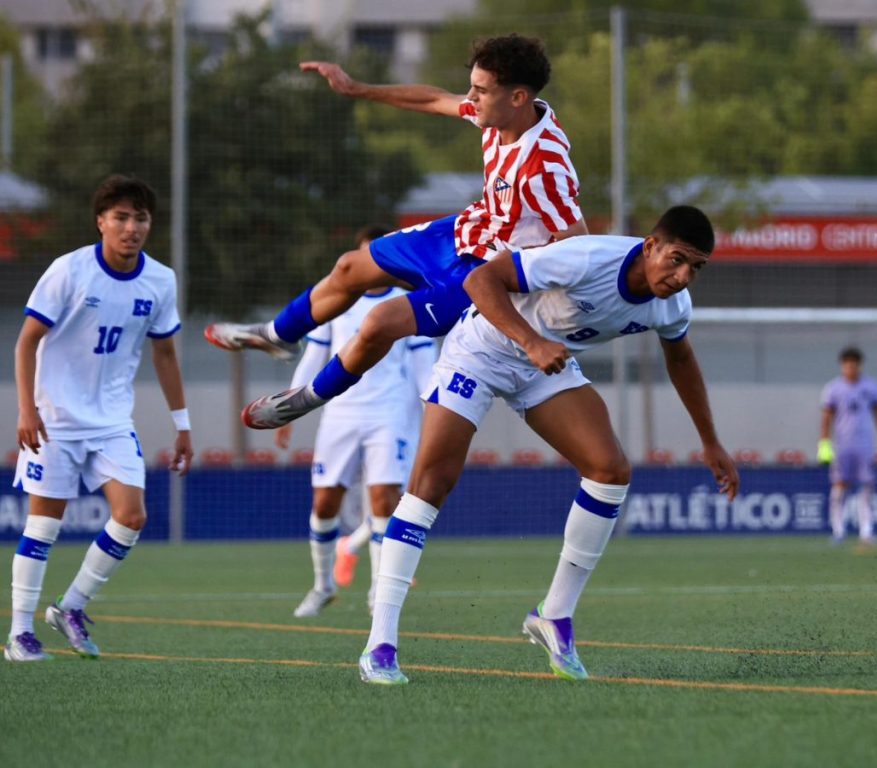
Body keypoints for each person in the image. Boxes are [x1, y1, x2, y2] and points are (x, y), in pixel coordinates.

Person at [357, 205, 740, 685]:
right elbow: (480, 281)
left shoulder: (673, 305)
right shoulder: (586, 258)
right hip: (483, 348)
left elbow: (681, 358)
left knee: (610, 469)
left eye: (696, 268)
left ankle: (553, 615)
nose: (683, 276)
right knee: (431, 484)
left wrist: (710, 441)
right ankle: (380, 645)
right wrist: (532, 343)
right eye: (677, 259)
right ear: (651, 246)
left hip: (543, 367)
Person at [203, 34, 586, 430]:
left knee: (379, 322)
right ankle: (277, 335)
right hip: (468, 230)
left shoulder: (545, 166)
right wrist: (357, 89)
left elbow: (578, 246)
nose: (469, 98)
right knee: (351, 267)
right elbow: (433, 100)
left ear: (518, 97)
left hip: (488, 274)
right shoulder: (500, 112)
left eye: (480, 90)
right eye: (471, 86)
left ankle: (307, 397)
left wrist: (543, 314)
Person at [5, 175, 193, 662]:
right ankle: (20, 633)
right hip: (54, 419)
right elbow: (26, 341)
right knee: (44, 525)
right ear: (101, 222)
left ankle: (70, 607)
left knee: (131, 517)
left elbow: (166, 354)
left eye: (141, 218)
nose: (132, 228)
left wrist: (183, 423)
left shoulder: (161, 280)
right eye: (122, 218)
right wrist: (26, 409)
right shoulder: (69, 271)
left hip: (111, 421)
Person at [275, 226, 435, 617]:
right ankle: (323, 585)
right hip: (340, 413)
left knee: (384, 498)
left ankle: (379, 594)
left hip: (390, 413)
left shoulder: (408, 303)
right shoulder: (338, 301)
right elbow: (314, 358)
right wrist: (288, 408)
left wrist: (435, 409)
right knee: (325, 502)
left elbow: (424, 368)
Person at [817, 346, 877, 545]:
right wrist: (824, 443)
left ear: (860, 366)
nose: (851, 369)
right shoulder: (833, 389)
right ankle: (838, 530)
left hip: (865, 445)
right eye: (847, 365)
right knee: (839, 488)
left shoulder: (870, 387)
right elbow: (827, 418)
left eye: (854, 365)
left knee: (867, 487)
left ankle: (867, 531)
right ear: (842, 366)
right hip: (843, 446)